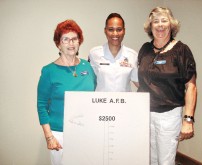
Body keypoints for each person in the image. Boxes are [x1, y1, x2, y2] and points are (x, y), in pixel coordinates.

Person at [137, 7, 197, 165]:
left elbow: (191, 86)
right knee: (148, 159)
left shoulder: (181, 51)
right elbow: (141, 81)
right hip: (145, 114)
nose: (160, 25)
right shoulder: (145, 49)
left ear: (171, 25)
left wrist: (188, 120)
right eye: (155, 21)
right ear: (150, 27)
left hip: (168, 116)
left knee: (165, 161)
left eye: (164, 20)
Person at [37, 20, 96, 165]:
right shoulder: (49, 71)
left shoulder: (87, 67)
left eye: (74, 39)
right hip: (59, 135)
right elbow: (41, 105)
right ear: (58, 44)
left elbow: (94, 95)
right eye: (66, 39)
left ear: (79, 42)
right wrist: (49, 136)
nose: (71, 43)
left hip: (85, 132)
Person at [88, 13, 139, 91]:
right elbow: (88, 81)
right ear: (105, 31)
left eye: (119, 29)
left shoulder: (132, 56)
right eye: (111, 29)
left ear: (124, 31)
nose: (115, 33)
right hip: (101, 102)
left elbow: (139, 84)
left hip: (124, 102)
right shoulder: (94, 54)